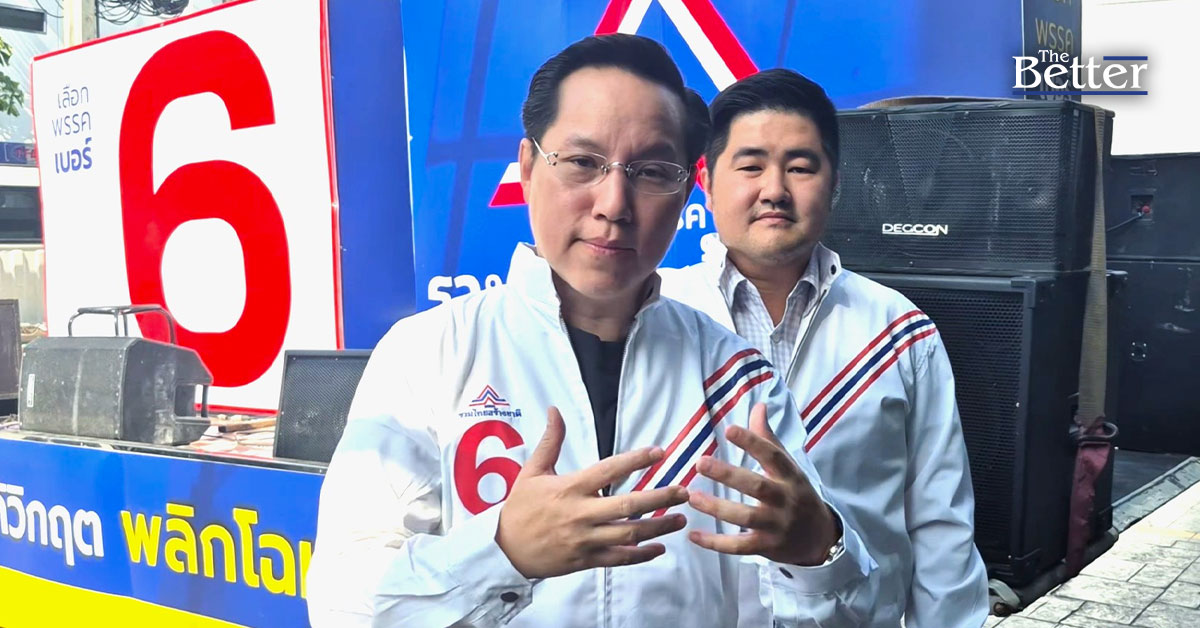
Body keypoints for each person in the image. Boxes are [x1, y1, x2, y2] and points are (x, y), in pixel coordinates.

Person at [306, 36, 878, 627]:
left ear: (685, 191)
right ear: (528, 167)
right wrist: (501, 553)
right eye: (582, 162)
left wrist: (820, 554)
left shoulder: (739, 382)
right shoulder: (431, 353)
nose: (614, 203)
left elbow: (839, 614)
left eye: (651, 171)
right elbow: (343, 605)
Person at [659, 68, 989, 627]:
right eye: (751, 165)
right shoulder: (658, 317)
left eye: (800, 167)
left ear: (834, 185)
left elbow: (941, 528)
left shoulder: (900, 332)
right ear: (706, 183)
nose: (774, 190)